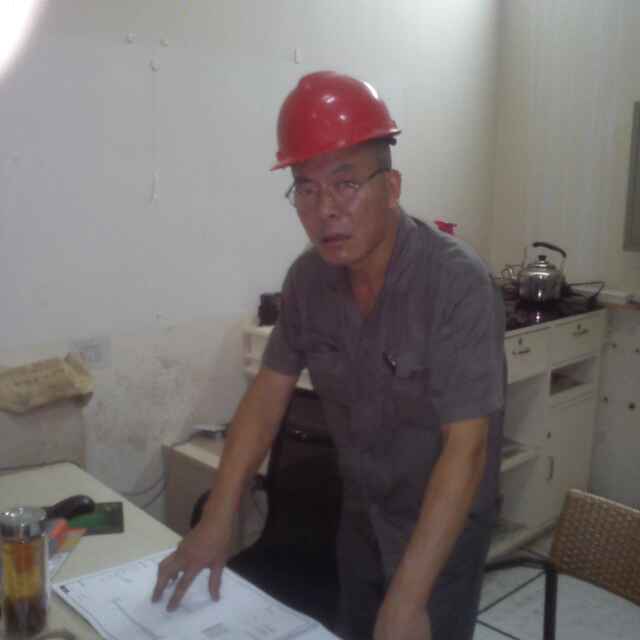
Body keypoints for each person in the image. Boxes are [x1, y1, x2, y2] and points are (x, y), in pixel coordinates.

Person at [152, 70, 505, 640]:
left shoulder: (454, 283)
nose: (326, 210)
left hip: (440, 530)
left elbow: (467, 449)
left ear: (392, 187)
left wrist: (409, 599)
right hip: (360, 517)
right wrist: (217, 518)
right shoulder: (308, 281)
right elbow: (265, 400)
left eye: (346, 183)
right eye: (307, 188)